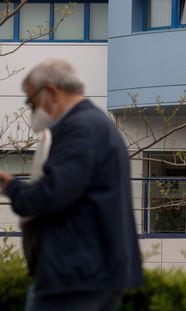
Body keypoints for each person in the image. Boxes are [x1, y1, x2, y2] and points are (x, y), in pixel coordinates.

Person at [0, 59, 143, 310]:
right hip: (94, 271)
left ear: (50, 91)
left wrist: (11, 187)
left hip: (74, 275)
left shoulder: (78, 128)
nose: (32, 110)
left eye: (31, 102)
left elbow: (53, 193)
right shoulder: (98, 125)